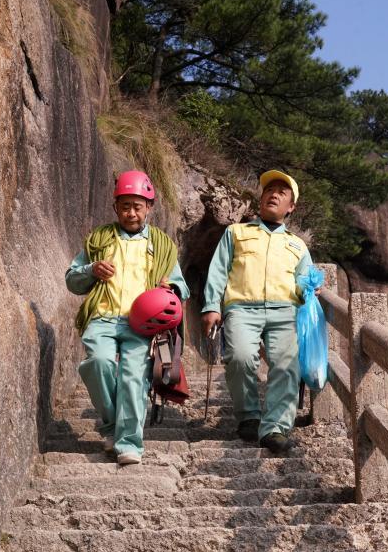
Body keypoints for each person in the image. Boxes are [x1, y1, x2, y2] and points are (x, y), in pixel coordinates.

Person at [66, 170, 189, 465]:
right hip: (103, 317)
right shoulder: (100, 239)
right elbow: (72, 280)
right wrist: (91, 270)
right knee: (98, 364)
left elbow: (181, 287)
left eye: (137, 206)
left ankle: (129, 443)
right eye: (125, 206)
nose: (131, 213)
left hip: (143, 324)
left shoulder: (160, 244)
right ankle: (112, 426)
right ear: (115, 207)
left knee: (133, 376)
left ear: (149, 207)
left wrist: (170, 288)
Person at [201, 170, 313, 455]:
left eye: (281, 192)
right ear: (261, 199)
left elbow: (304, 280)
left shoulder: (298, 245)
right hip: (241, 308)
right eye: (269, 190)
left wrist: (310, 289)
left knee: (287, 366)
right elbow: (218, 271)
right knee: (239, 358)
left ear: (291, 207)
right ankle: (249, 417)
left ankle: (275, 428)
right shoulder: (236, 232)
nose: (273, 194)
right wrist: (212, 306)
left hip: (285, 311)